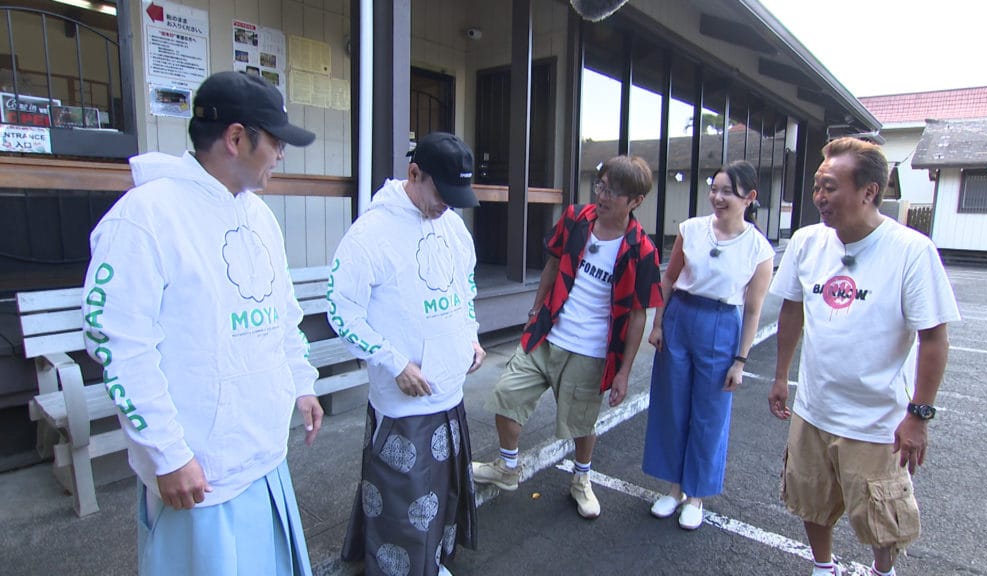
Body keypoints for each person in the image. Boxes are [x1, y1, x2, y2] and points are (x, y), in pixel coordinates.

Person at [81, 70, 324, 576]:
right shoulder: (145, 216)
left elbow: (282, 315)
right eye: (276, 142)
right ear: (236, 138)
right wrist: (167, 454)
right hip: (198, 475)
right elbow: (120, 345)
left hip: (263, 456)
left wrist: (301, 383)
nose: (281, 155)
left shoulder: (259, 216)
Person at [768, 137, 960, 576]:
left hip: (877, 420)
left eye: (830, 187)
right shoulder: (806, 241)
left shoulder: (911, 250)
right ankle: (823, 567)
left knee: (882, 513)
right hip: (814, 408)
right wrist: (780, 376)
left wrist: (919, 415)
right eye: (817, 186)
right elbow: (792, 310)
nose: (819, 196)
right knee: (810, 495)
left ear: (869, 191)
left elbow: (934, 338)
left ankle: (882, 570)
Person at [326, 132, 484, 576]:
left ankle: (433, 565)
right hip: (404, 402)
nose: (447, 205)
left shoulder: (452, 225)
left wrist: (470, 336)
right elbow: (340, 309)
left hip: (449, 392)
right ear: (414, 173)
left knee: (444, 495)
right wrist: (393, 362)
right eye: (441, 193)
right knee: (403, 502)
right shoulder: (370, 233)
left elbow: (465, 288)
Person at [472, 155, 663, 519]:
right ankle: (507, 467)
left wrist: (623, 372)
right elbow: (553, 263)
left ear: (635, 201)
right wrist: (534, 312)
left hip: (591, 351)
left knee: (581, 423)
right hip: (547, 333)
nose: (602, 196)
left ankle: (581, 478)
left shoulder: (642, 250)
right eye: (601, 186)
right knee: (507, 395)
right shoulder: (576, 219)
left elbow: (638, 314)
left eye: (613, 192)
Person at [642, 160, 774, 530]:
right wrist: (658, 323)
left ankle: (696, 495)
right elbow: (669, 278)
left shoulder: (759, 250)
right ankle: (674, 488)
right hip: (680, 317)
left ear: (749, 197)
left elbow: (752, 310)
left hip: (722, 324)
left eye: (727, 192)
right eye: (714, 189)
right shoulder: (692, 229)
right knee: (672, 405)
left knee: (709, 413)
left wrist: (740, 361)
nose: (717, 197)